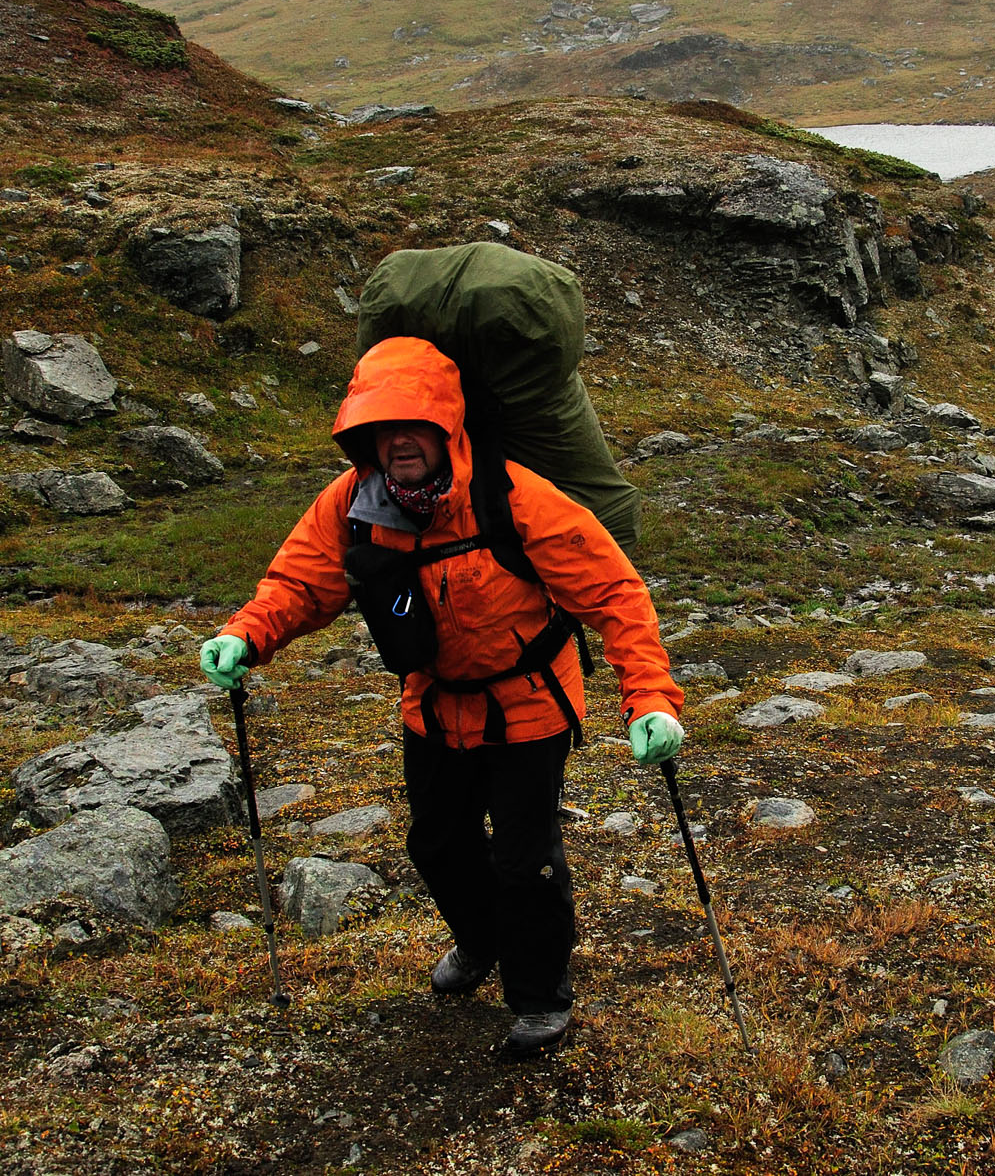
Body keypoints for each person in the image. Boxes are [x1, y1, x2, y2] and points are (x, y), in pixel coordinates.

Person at [197, 335, 686, 1055]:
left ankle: (539, 995)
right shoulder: (354, 503)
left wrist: (650, 699)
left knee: (527, 860)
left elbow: (614, 592)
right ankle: (481, 941)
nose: (397, 443)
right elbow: (301, 583)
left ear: (447, 427)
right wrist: (247, 634)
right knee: (437, 844)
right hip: (431, 704)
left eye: (412, 426)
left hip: (528, 706)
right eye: (380, 429)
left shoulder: (512, 494)